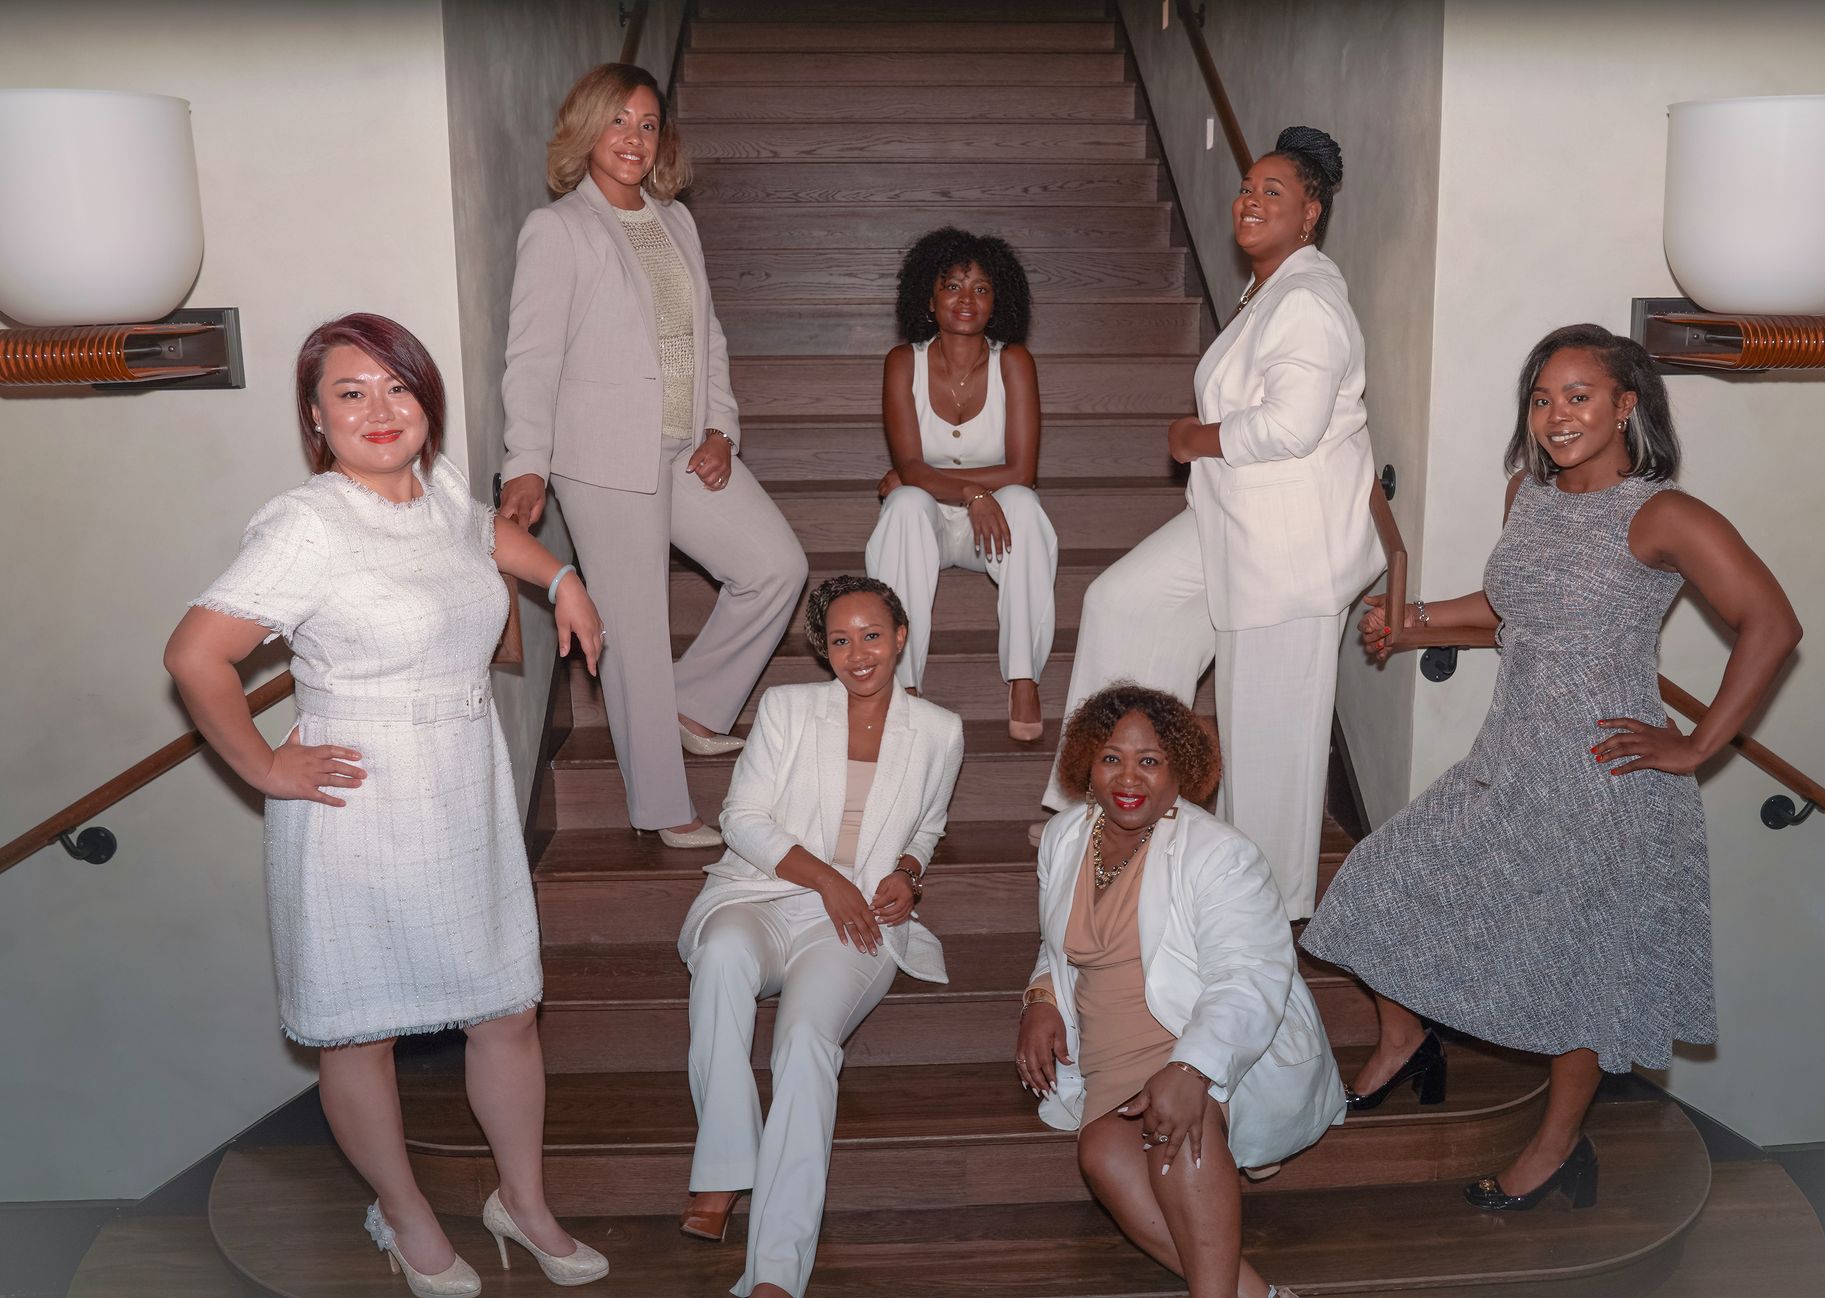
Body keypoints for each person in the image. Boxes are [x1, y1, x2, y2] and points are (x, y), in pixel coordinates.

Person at [1302, 324, 1801, 1211]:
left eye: (1578, 395)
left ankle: (1556, 1148)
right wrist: (1411, 617)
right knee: (1378, 879)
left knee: (1584, 974)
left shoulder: (1662, 514)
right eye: (1541, 398)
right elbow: (1509, 615)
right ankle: (1406, 1038)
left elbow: (1772, 624)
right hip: (1510, 760)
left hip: (1605, 781)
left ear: (1625, 406)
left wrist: (1696, 745)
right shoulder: (1522, 496)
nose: (1556, 415)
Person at [163, 314, 610, 1292]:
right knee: (360, 1027)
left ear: (426, 404)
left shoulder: (439, 490)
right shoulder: (308, 523)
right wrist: (266, 767)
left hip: (464, 788)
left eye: (398, 388)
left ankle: (522, 1202)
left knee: (506, 1009)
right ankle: (403, 1213)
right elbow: (195, 654)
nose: (380, 409)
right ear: (316, 420)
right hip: (359, 806)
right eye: (350, 393)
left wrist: (563, 576)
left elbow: (486, 534)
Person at [1039, 127, 1383, 917]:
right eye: (1247, 187)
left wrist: (1196, 439)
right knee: (1124, 600)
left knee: (1268, 741)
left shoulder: (1310, 300)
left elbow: (1291, 426)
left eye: (1274, 192)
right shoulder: (1271, 290)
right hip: (1229, 518)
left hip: (1287, 552)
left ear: (1311, 216)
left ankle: (1260, 910)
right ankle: (1108, 801)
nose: (1250, 201)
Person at [498, 62, 807, 849]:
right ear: (586, 130)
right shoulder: (559, 228)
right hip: (601, 457)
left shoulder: (676, 221)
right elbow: (531, 358)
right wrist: (526, 462)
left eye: (647, 124)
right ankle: (663, 807)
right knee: (632, 628)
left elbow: (707, 338)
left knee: (776, 566)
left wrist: (721, 430)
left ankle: (696, 702)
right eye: (617, 122)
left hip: (684, 446)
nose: (634, 139)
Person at [675, 575, 965, 1298]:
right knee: (721, 957)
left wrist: (907, 870)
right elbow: (741, 816)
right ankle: (723, 1167)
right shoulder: (787, 708)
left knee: (805, 1043)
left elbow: (927, 825)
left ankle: (776, 1269)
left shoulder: (940, 731)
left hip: (858, 917)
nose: (857, 653)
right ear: (821, 650)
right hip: (762, 890)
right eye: (840, 640)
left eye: (872, 635)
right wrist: (827, 880)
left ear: (901, 638)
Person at [1017, 684, 1344, 1298]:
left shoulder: (1219, 853)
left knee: (1174, 1134)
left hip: (1190, 1031)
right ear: (1087, 764)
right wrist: (1041, 997)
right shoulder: (1065, 838)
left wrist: (1192, 1068)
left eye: (1150, 760)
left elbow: (1248, 975)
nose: (1128, 777)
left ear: (1180, 773)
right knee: (1104, 1159)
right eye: (1112, 757)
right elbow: (1057, 942)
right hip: (1107, 1051)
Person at [865, 227, 1056, 741]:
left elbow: (1022, 471)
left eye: (980, 288)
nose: (966, 299)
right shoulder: (902, 362)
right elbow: (909, 464)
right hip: (927, 521)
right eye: (952, 286)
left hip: (990, 530)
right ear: (929, 297)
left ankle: (1023, 677)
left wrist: (930, 480)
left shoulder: (1013, 362)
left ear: (998, 302)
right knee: (905, 504)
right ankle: (901, 687)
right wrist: (970, 490)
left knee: (1021, 502)